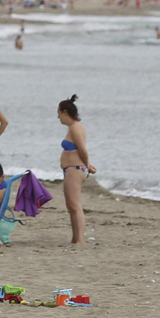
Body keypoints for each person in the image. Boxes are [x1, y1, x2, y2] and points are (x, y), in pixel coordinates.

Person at [58, 94, 94, 244]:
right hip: (71, 170)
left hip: (75, 169)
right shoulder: (72, 128)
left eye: (59, 114)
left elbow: (83, 150)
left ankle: (80, 240)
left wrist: (88, 165)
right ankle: (75, 238)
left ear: (65, 112)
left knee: (75, 205)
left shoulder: (75, 128)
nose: (58, 117)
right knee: (71, 206)